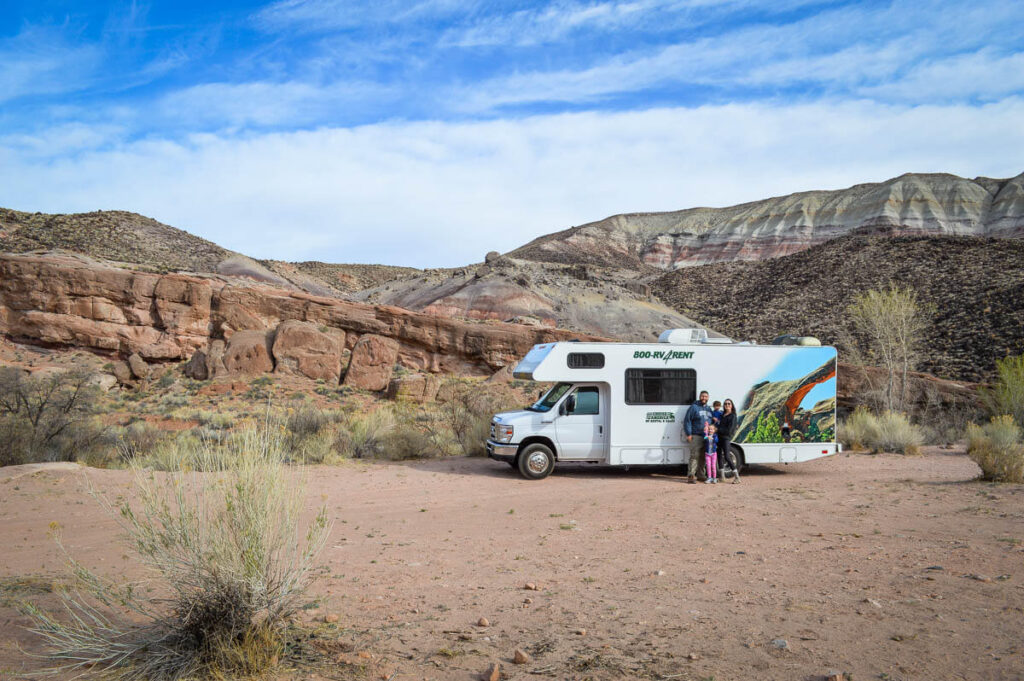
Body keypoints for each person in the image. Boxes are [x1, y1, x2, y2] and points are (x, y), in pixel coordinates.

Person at [683, 390, 713, 483]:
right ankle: (691, 476)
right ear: (700, 397)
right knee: (694, 456)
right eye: (702, 396)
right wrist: (688, 434)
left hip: (706, 437)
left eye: (706, 396)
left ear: (708, 398)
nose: (704, 398)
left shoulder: (709, 409)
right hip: (696, 435)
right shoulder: (694, 407)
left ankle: (701, 475)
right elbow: (687, 421)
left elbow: (711, 421)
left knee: (703, 457)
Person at [717, 398, 741, 483]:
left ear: (731, 405)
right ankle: (722, 477)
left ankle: (737, 477)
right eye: (725, 404)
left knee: (727, 456)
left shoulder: (733, 416)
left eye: (729, 404)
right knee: (719, 456)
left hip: (726, 438)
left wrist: (718, 429)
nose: (727, 405)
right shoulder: (723, 415)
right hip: (719, 438)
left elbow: (729, 430)